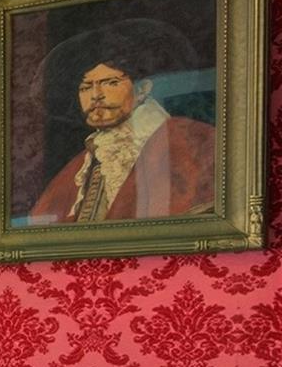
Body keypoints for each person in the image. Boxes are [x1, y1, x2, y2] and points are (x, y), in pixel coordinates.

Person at [28, 19, 215, 223]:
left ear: (143, 89)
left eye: (111, 83)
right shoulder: (81, 165)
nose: (96, 95)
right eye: (85, 87)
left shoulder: (194, 141)